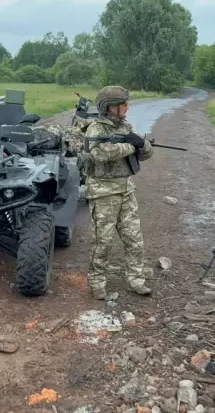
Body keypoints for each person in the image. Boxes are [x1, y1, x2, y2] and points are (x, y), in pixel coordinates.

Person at [83, 85, 154, 300]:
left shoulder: (126, 127)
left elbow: (146, 153)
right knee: (103, 241)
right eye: (123, 104)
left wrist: (142, 144)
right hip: (103, 192)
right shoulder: (96, 129)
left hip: (125, 189)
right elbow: (101, 154)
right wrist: (131, 146)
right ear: (110, 107)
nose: (126, 107)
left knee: (134, 238)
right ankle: (97, 281)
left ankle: (136, 279)